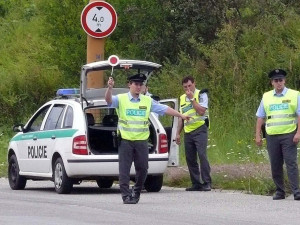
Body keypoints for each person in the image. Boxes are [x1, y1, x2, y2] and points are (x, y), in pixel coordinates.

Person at [105, 73, 190, 204]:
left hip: (141, 142)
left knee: (143, 168)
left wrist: (181, 116)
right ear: (129, 85)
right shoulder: (121, 99)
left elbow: (165, 109)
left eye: (141, 85)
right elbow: (109, 101)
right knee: (124, 170)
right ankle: (126, 195)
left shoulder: (147, 101)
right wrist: (109, 88)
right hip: (125, 141)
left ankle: (137, 191)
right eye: (136, 84)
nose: (138, 87)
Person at [255, 69, 300, 200]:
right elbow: (260, 117)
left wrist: (298, 132)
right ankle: (280, 191)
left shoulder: (294, 95)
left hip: (289, 134)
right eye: (276, 80)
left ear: (284, 81)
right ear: (272, 83)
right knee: (275, 164)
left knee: (291, 163)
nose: (279, 83)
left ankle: (296, 191)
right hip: (272, 135)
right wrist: (258, 135)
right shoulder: (266, 96)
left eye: (281, 80)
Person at [176, 75, 212, 191]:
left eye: (190, 86)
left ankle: (207, 182)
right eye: (185, 87)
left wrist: (192, 99)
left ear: (194, 84)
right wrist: (177, 133)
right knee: (190, 158)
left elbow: (201, 111)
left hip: (200, 128)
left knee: (202, 155)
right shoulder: (182, 98)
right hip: (188, 131)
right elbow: (181, 117)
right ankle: (196, 183)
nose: (188, 89)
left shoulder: (201, 94)